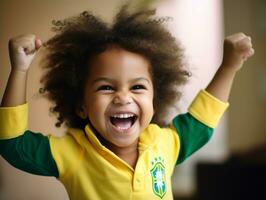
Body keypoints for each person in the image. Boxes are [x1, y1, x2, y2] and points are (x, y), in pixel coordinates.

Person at [0, 5, 254, 200]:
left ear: (154, 100)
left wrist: (229, 66)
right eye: (106, 87)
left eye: (137, 87)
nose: (123, 97)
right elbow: (13, 144)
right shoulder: (70, 154)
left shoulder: (165, 143)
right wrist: (19, 70)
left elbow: (202, 120)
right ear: (82, 106)